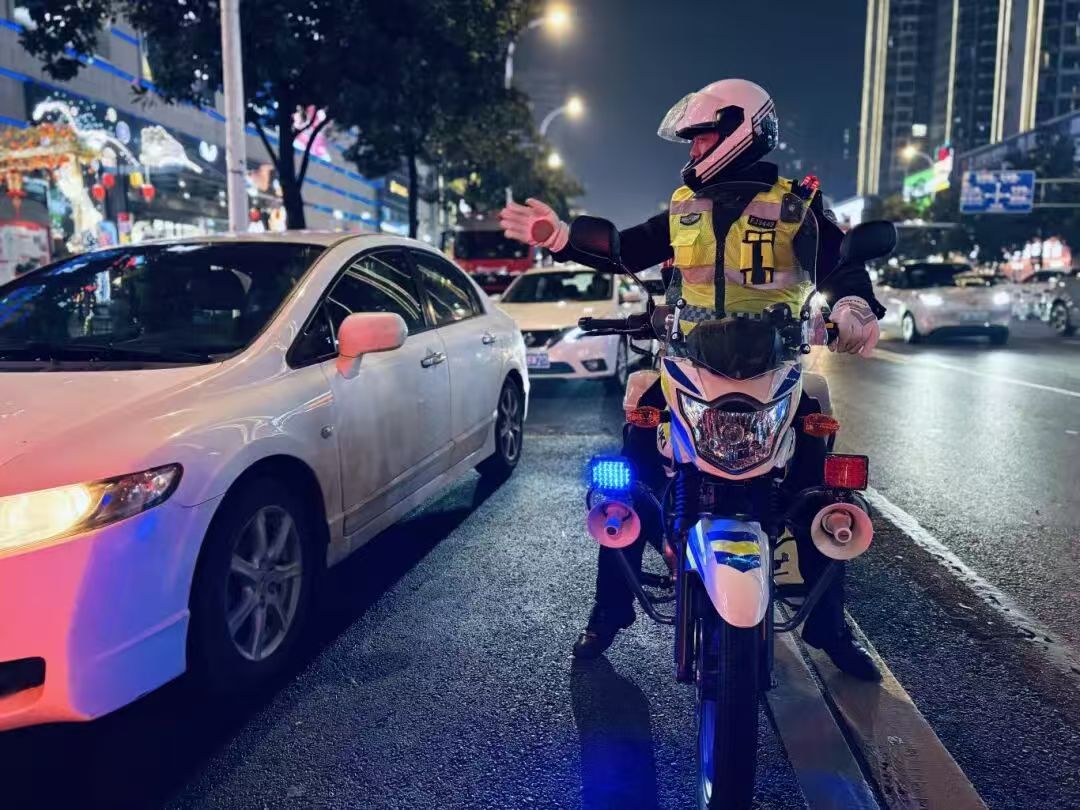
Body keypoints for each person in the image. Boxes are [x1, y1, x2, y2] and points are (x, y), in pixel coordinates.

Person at [500, 79, 884, 681]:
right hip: (690, 363)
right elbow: (627, 248)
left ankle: (829, 626)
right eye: (694, 138)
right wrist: (562, 239)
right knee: (625, 474)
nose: (695, 148)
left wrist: (855, 308)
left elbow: (845, 265)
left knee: (823, 487)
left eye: (703, 136)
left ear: (740, 131)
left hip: (776, 368)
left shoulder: (798, 207)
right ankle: (610, 609)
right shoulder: (685, 206)